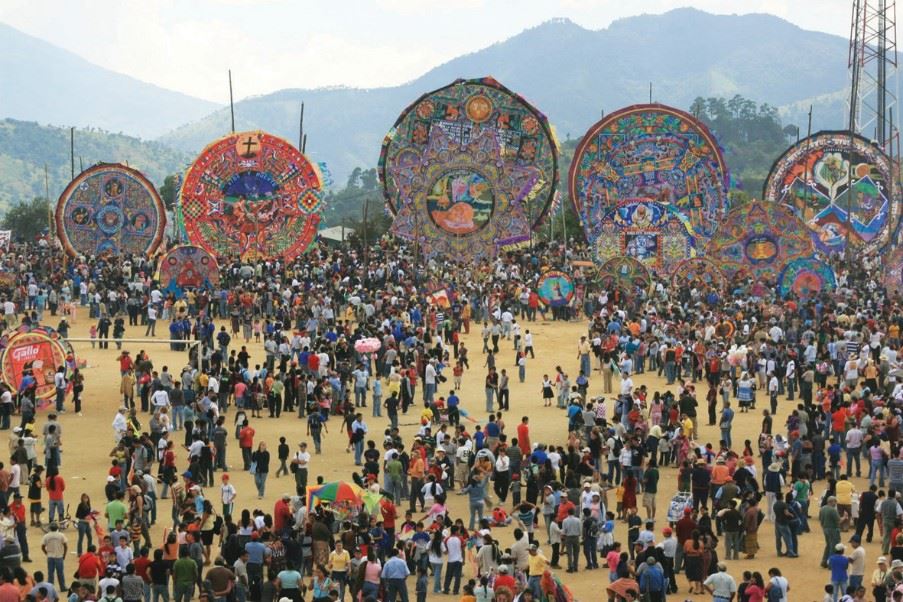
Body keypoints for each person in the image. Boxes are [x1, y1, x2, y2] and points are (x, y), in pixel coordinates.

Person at [41, 522, 67, 591]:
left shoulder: (46, 536)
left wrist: (47, 553)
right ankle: (62, 587)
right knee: (60, 573)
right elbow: (65, 546)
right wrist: (64, 555)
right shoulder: (61, 535)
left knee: (50, 573)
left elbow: (43, 547)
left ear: (50, 528)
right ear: (57, 528)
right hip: (59, 557)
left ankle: (50, 588)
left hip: (50, 557)